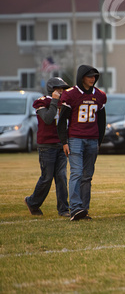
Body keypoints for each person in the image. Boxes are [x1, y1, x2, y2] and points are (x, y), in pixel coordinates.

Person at [58, 65, 107, 221]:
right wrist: (64, 142)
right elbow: (62, 121)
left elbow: (102, 120)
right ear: (81, 77)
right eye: (89, 76)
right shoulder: (71, 94)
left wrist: (99, 141)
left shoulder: (99, 95)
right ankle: (75, 208)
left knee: (87, 176)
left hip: (92, 139)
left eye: (94, 76)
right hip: (75, 139)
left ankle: (83, 209)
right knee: (77, 173)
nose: (92, 79)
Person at [25, 77, 71, 217]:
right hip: (46, 145)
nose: (62, 91)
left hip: (61, 143)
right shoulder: (42, 102)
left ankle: (63, 209)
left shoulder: (65, 103)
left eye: (63, 88)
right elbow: (48, 118)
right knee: (47, 177)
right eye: (59, 88)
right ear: (52, 89)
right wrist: (55, 101)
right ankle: (32, 202)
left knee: (61, 177)